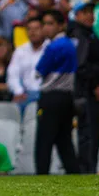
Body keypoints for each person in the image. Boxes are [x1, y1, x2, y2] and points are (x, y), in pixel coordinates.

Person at [34, 9, 79, 174]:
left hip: (51, 96)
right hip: (67, 97)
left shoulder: (53, 46)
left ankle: (42, 174)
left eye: (50, 24)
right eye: (44, 24)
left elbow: (39, 71)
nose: (46, 28)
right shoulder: (71, 45)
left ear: (61, 26)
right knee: (64, 140)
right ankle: (74, 173)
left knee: (44, 141)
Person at [68, 1, 99, 174]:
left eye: (91, 11)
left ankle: (88, 167)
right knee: (89, 133)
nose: (89, 15)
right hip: (87, 91)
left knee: (91, 134)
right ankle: (87, 169)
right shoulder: (80, 35)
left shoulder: (89, 34)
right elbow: (81, 66)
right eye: (84, 12)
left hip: (89, 90)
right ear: (77, 15)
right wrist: (96, 85)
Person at [7, 17, 48, 115]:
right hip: (25, 94)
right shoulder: (20, 50)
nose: (33, 32)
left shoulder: (51, 48)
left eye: (36, 29)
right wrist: (18, 91)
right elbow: (12, 74)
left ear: (43, 29)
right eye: (29, 29)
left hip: (45, 93)